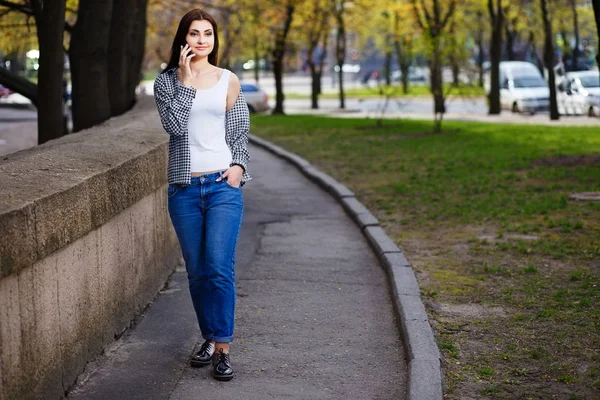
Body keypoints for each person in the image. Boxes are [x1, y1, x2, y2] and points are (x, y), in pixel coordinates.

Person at [153, 8, 251, 382]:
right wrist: (187, 80)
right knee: (196, 272)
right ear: (183, 39)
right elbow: (174, 126)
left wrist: (238, 168)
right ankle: (208, 336)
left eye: (207, 34)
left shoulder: (228, 80)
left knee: (217, 266)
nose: (201, 40)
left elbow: (239, 131)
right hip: (184, 189)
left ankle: (222, 349)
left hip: (222, 186)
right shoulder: (167, 83)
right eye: (194, 34)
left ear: (214, 39)